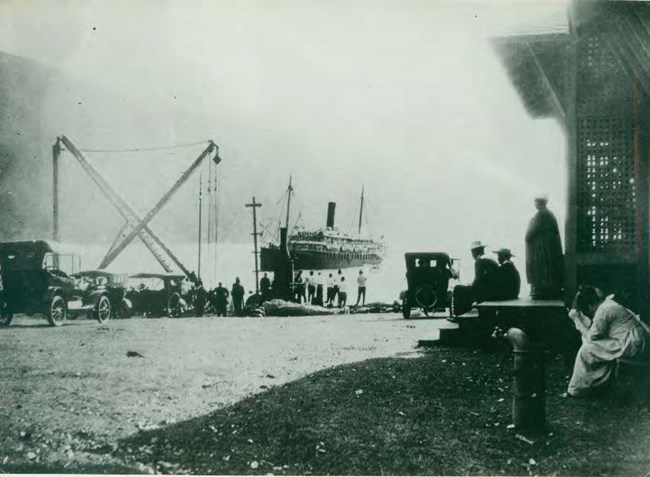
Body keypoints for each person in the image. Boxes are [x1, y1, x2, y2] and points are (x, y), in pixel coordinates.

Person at [566, 286, 649, 397]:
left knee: (587, 349)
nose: (591, 312)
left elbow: (591, 338)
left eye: (589, 309)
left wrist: (576, 319)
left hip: (631, 343)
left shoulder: (603, 309)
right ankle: (595, 384)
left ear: (591, 305)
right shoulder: (608, 304)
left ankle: (576, 390)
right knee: (594, 348)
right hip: (634, 340)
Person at [525, 194, 564, 300]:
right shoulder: (550, 215)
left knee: (542, 272)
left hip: (541, 251)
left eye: (536, 201)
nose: (535, 203)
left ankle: (540, 290)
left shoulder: (539, 216)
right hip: (549, 251)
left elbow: (528, 235)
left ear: (540, 203)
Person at [451, 241, 499, 318]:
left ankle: (459, 315)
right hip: (493, 290)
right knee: (465, 289)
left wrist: (471, 285)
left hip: (486, 293)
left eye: (472, 252)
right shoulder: (489, 259)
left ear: (475, 252)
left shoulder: (480, 261)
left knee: (458, 288)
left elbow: (478, 280)